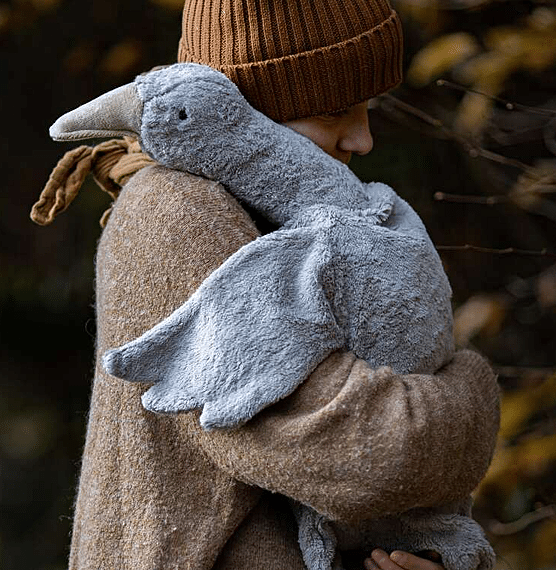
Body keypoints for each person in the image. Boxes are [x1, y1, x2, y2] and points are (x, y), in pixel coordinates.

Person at [31, 0, 500, 569]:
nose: (362, 140)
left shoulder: (301, 216)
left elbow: (389, 492)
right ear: (250, 111)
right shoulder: (176, 211)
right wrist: (472, 388)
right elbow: (372, 457)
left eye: (369, 108)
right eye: (335, 111)